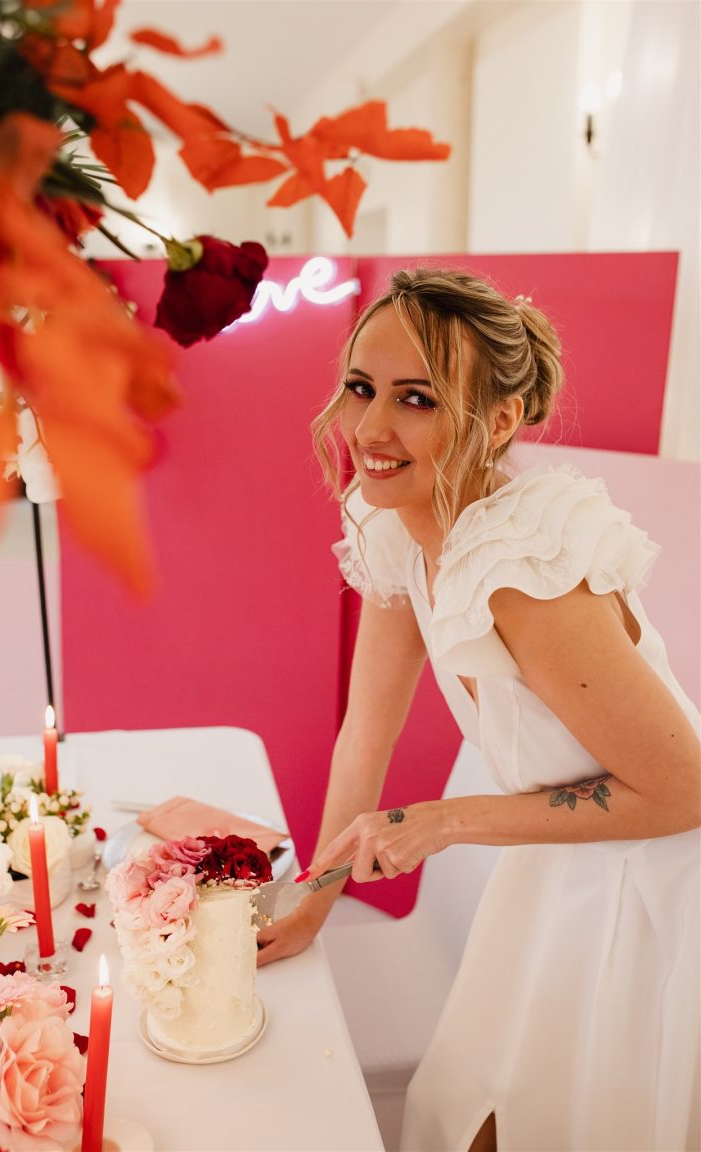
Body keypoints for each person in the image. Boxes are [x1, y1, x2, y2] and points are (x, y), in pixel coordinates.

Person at [255, 268, 701, 1152]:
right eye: (361, 388)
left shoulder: (524, 572)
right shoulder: (398, 527)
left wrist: (443, 822)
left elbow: (685, 792)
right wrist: (314, 897)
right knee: (472, 1113)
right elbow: (364, 734)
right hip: (558, 864)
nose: (371, 430)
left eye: (416, 399)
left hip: (652, 887)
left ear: (498, 422)